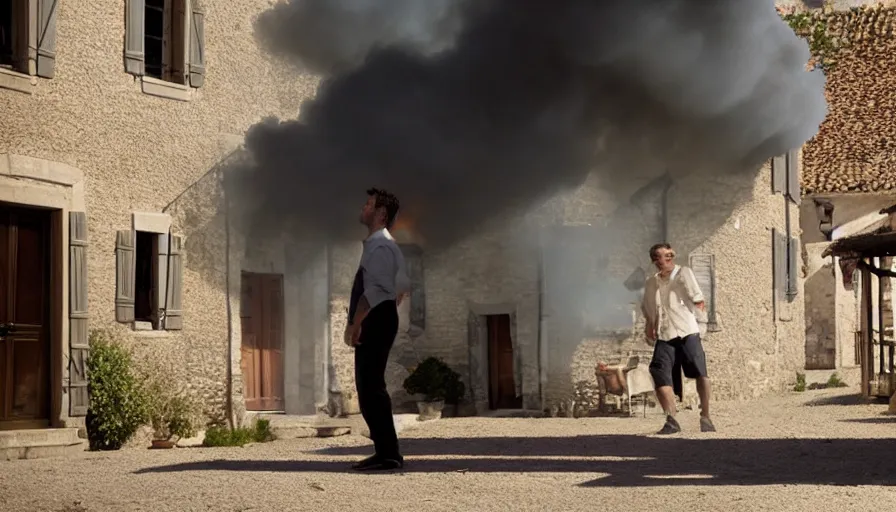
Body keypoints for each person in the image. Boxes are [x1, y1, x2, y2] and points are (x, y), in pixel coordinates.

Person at [344, 187, 410, 470]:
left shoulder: (381, 246)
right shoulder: (382, 245)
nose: (363, 207)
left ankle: (388, 454)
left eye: (368, 204)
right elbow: (402, 288)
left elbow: (377, 290)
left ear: (381, 214)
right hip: (381, 315)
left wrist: (356, 324)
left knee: (371, 387)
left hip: (376, 316)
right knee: (369, 387)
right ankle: (386, 450)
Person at [641, 243, 716, 435]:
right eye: (658, 257)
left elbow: (698, 299)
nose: (663, 260)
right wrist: (649, 325)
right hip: (665, 334)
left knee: (700, 372)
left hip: (688, 331)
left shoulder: (683, 273)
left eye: (667, 256)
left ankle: (705, 415)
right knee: (658, 371)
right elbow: (647, 307)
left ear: (672, 256)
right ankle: (671, 418)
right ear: (654, 260)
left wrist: (701, 326)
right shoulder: (652, 282)